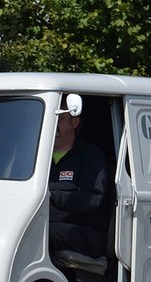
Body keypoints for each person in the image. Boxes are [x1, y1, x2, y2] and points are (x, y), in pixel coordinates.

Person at [48, 99, 109, 263]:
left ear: (74, 122)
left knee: (38, 235)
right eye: (50, 119)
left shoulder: (90, 155)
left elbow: (92, 199)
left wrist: (54, 197)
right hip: (47, 224)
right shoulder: (40, 158)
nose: (53, 125)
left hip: (87, 232)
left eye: (59, 119)